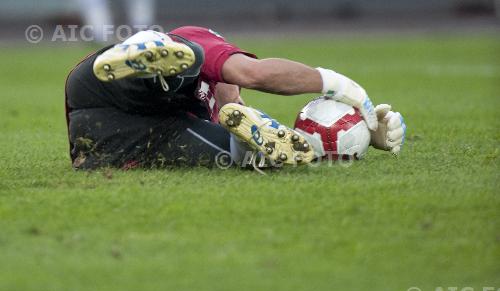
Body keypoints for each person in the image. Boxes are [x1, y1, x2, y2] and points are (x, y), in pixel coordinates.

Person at [65, 26, 406, 170]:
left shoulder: (217, 113)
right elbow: (251, 74)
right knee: (187, 57)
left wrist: (364, 135)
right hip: (101, 84)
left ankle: (247, 152)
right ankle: (144, 48)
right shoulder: (208, 43)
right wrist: (341, 86)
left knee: (238, 151)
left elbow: (280, 139)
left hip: (100, 140)